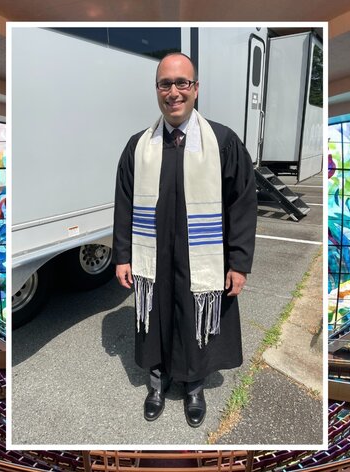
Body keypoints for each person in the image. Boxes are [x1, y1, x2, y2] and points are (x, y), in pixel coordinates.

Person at [112, 52, 257, 427]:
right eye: (165, 84)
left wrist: (239, 263)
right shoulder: (139, 146)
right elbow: (125, 202)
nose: (173, 92)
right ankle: (157, 383)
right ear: (156, 89)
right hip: (154, 257)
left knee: (195, 319)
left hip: (202, 257)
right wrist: (124, 255)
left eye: (182, 83)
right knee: (155, 318)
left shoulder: (222, 142)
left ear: (195, 89)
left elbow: (242, 204)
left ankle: (194, 386)